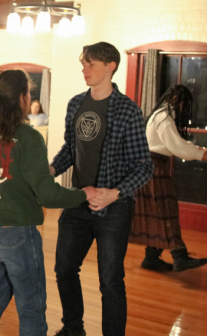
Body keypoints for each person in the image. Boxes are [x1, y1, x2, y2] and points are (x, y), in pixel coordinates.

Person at [0, 69, 98, 336]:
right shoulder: (28, 137)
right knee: (31, 306)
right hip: (16, 233)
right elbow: (46, 195)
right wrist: (84, 194)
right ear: (24, 98)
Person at [49, 42, 153, 336]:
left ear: (111, 67)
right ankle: (73, 328)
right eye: (83, 63)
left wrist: (114, 193)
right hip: (77, 202)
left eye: (91, 64)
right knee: (64, 270)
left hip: (114, 208)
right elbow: (70, 149)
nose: (84, 69)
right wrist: (52, 169)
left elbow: (143, 165)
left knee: (110, 280)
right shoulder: (75, 104)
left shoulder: (128, 110)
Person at [131, 84, 207, 272]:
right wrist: (203, 155)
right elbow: (177, 147)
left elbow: (175, 144)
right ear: (176, 99)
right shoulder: (164, 117)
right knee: (165, 212)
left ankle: (151, 259)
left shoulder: (160, 115)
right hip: (153, 169)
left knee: (156, 213)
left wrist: (200, 150)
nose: (184, 109)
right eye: (185, 105)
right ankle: (180, 256)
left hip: (150, 168)